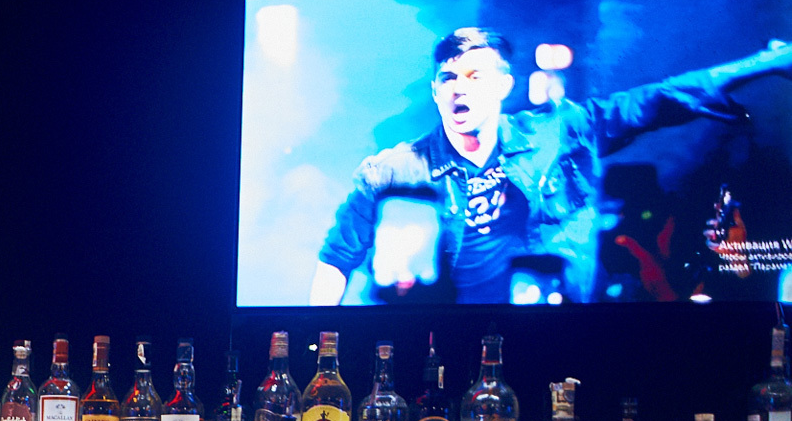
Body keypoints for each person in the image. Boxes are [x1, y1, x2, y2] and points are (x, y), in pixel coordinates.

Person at [311, 29, 792, 305]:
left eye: (475, 76)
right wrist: (319, 353)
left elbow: (656, 100)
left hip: (552, 331)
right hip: (447, 343)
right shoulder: (393, 171)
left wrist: (765, 64)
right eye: (448, 77)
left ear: (503, 86)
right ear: (436, 90)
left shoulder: (559, 130)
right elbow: (335, 261)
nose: (460, 87)